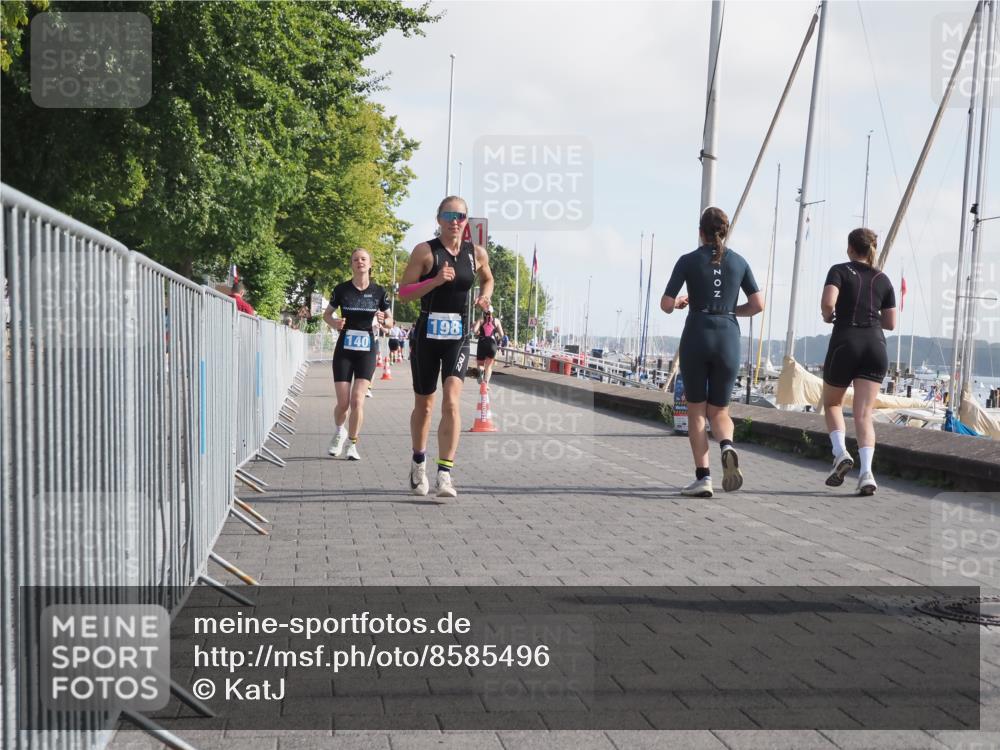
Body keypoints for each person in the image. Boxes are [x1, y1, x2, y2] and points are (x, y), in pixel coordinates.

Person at [661, 207, 764, 498]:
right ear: (725, 232)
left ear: (701, 232)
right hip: (728, 335)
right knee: (719, 409)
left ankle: (703, 477)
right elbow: (758, 304)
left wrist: (681, 302)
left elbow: (666, 304)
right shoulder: (740, 261)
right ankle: (727, 445)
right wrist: (732, 311)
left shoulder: (688, 260)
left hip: (697, 332)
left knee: (696, 409)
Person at [398, 196, 494, 498]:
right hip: (427, 335)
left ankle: (444, 474)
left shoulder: (475, 253)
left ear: (466, 222)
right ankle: (418, 462)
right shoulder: (425, 252)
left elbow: (488, 279)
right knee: (424, 406)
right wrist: (436, 280)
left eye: (461, 216)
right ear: (439, 219)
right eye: (450, 215)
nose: (456, 220)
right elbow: (404, 293)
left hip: (458, 336)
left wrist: (484, 296)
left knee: (451, 401)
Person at [820, 228, 897, 496]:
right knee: (864, 414)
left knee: (832, 403)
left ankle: (840, 453)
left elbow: (828, 303)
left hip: (846, 341)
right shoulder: (883, 279)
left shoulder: (839, 270)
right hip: (875, 345)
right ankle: (866, 473)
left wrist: (828, 316)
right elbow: (891, 323)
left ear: (851, 248)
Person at [323, 248, 392, 461]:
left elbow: (390, 322)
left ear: (370, 264)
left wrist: (384, 321)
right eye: (355, 259)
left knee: (357, 401)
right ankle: (339, 432)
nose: (359, 262)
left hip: (367, 350)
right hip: (344, 349)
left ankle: (353, 444)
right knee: (343, 404)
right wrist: (334, 322)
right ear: (351, 264)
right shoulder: (342, 289)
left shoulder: (379, 292)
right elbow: (327, 314)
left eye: (363, 259)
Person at [472, 307, 504, 384]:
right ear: (492, 312)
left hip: (482, 342)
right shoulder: (496, 321)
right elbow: (502, 335)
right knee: (489, 366)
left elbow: (474, 331)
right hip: (492, 344)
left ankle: (481, 371)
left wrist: (478, 332)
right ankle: (485, 384)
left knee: (480, 364)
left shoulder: (480, 320)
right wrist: (497, 337)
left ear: (484, 312)